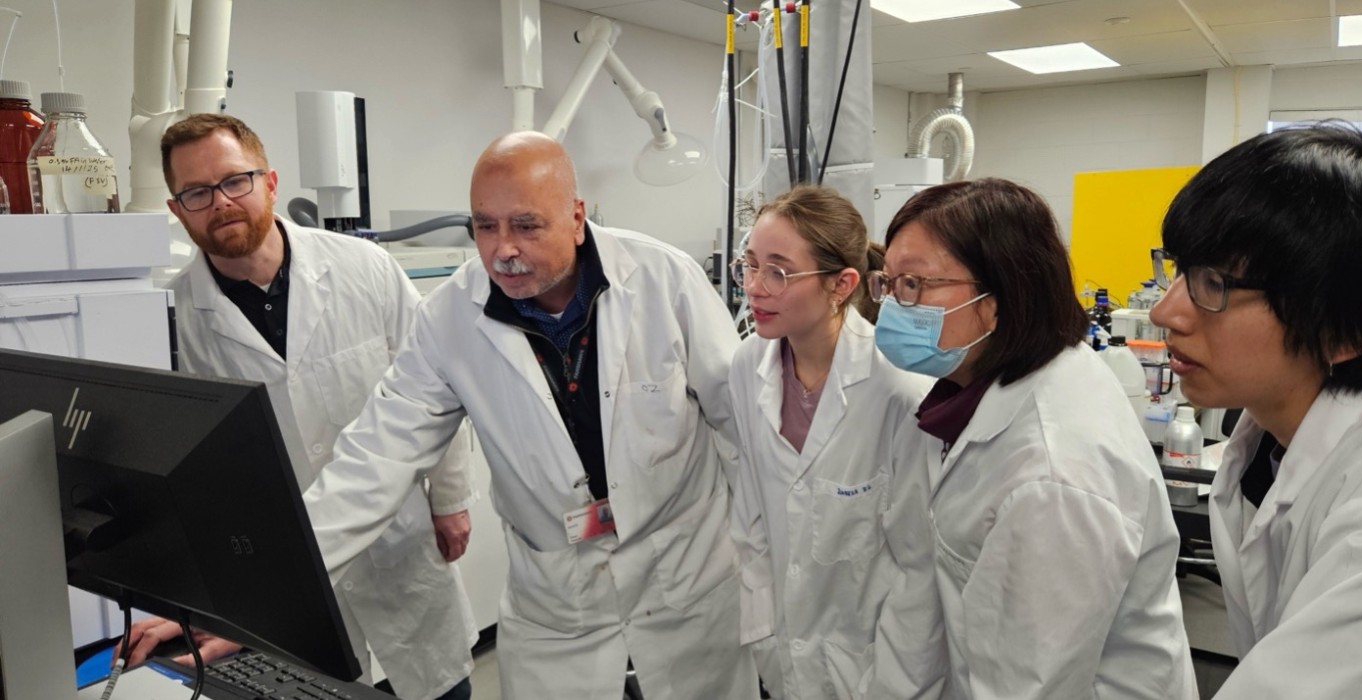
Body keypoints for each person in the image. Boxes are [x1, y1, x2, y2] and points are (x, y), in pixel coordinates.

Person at [303, 131, 757, 699]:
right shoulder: (448, 319)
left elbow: (743, 425)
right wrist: (269, 592)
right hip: (559, 604)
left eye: (525, 225)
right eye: (484, 226)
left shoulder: (664, 280)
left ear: (575, 216)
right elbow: (375, 456)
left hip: (688, 583)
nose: (502, 250)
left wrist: (769, 564)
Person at [125, 113, 478, 700]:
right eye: (196, 192)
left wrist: (450, 499)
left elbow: (438, 386)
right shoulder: (176, 317)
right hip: (285, 564)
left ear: (270, 181)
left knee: (438, 691)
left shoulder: (364, 268)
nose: (221, 202)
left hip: (398, 542)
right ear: (175, 207)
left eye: (236, 181)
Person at [874, 178, 1196, 698]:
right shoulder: (981, 390)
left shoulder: (1052, 470)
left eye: (914, 284)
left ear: (999, 297)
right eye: (888, 283)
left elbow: (1029, 684)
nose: (893, 305)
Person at [1148, 123, 1362, 697]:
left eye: (1213, 282)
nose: (1166, 312)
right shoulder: (1265, 437)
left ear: (1343, 329)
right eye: (1180, 268)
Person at [727, 185, 942, 698]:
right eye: (749, 265)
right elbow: (753, 517)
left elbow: (920, 565)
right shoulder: (746, 364)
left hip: (874, 663)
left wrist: (895, 682)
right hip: (782, 654)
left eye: (778, 271)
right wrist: (763, 634)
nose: (754, 288)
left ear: (841, 284)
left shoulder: (899, 387)